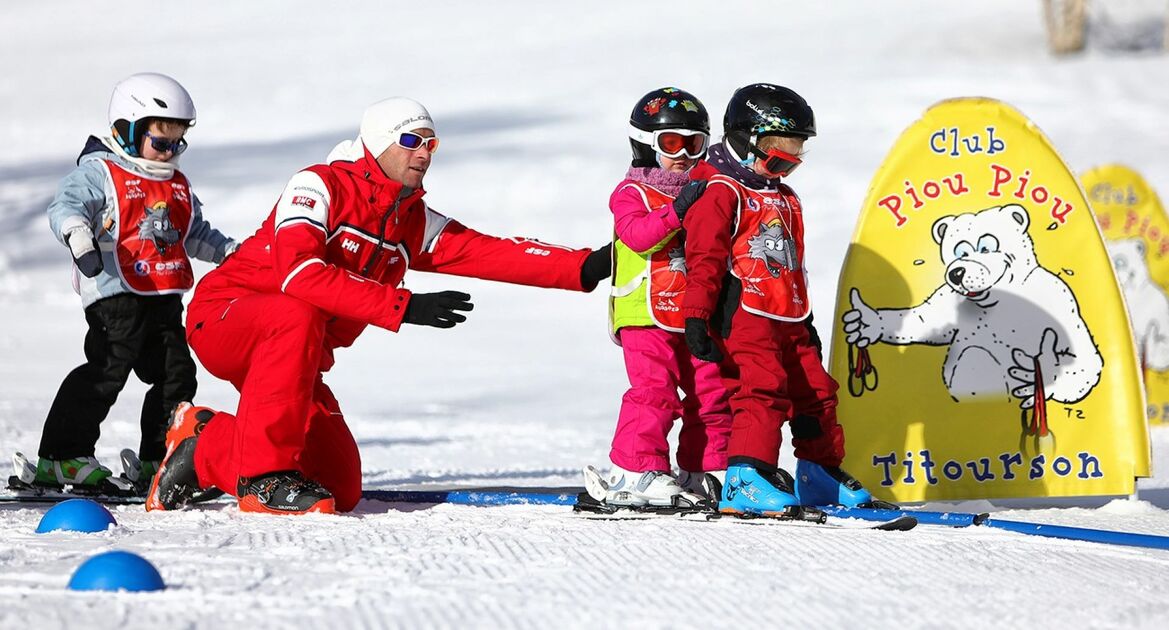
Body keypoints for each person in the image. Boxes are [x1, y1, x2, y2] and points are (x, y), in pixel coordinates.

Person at [147, 97, 612, 515]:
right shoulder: (319, 186)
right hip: (227, 317)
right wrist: (401, 306)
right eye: (411, 140)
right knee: (298, 309)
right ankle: (263, 481)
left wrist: (584, 267)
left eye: (432, 142)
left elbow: (488, 251)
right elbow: (299, 273)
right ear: (378, 145)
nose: (424, 152)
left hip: (296, 357)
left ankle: (202, 446)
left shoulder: (410, 218)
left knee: (338, 489)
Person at [37, 72, 237, 493]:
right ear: (125, 132)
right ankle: (62, 457)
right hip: (114, 291)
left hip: (163, 295)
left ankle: (160, 457)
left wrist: (233, 253)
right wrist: (78, 234)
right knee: (109, 366)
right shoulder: (101, 172)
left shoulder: (176, 184)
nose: (169, 153)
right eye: (160, 143)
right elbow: (66, 205)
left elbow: (194, 233)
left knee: (176, 374)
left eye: (177, 143)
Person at [681, 83, 874, 514]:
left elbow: (791, 265)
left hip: (786, 314)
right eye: (777, 157)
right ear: (745, 140)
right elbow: (704, 258)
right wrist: (696, 317)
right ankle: (746, 478)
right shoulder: (720, 191)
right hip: (743, 313)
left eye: (796, 157)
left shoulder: (781, 194)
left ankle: (819, 472)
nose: (786, 168)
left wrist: (804, 322)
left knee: (817, 390)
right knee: (761, 387)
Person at [583, 88, 731, 509]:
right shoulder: (631, 193)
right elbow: (638, 236)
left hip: (692, 314)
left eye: (694, 143)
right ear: (646, 144)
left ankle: (706, 469)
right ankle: (636, 469)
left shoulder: (705, 191)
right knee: (655, 390)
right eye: (671, 144)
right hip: (643, 313)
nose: (683, 154)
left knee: (711, 389)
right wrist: (677, 211)